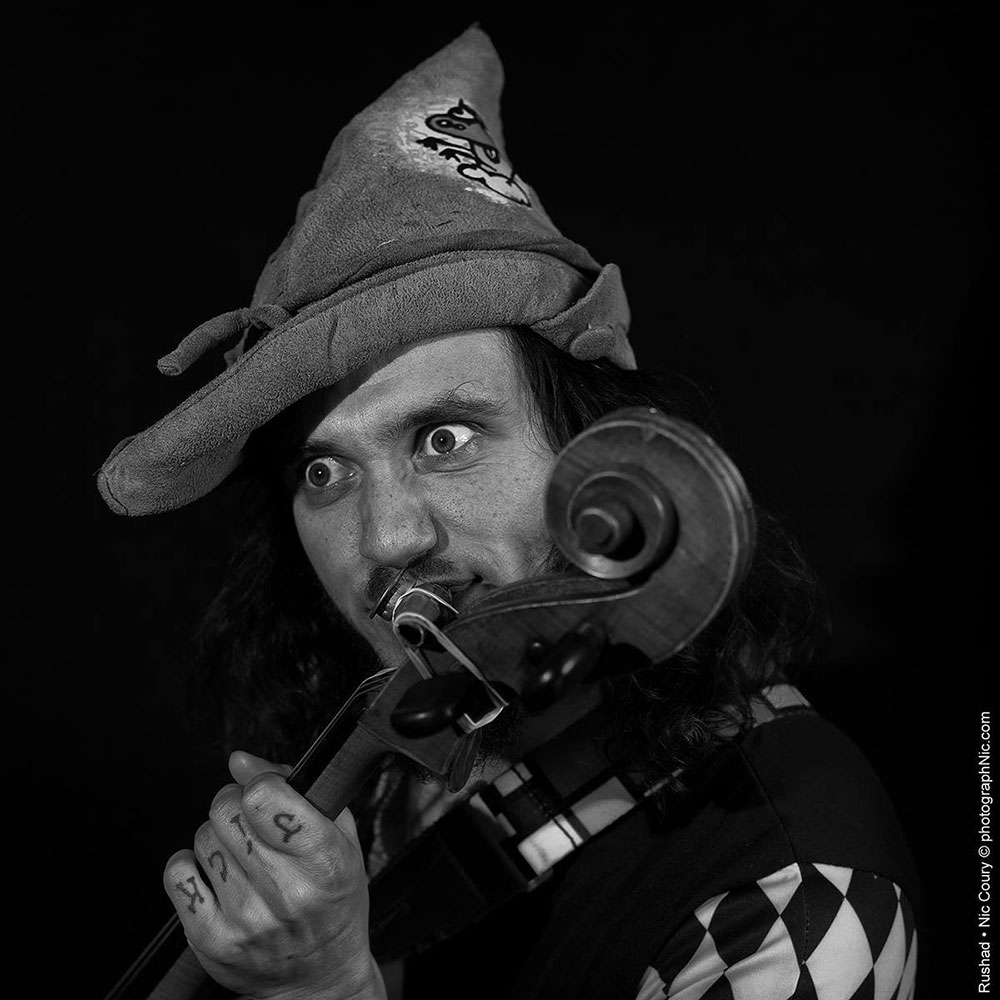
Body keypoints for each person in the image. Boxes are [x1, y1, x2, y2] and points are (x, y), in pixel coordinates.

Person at [98, 26, 921, 1000]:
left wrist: (326, 989)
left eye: (445, 437)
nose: (386, 538)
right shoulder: (401, 778)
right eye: (323, 471)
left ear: (589, 448)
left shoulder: (800, 887)